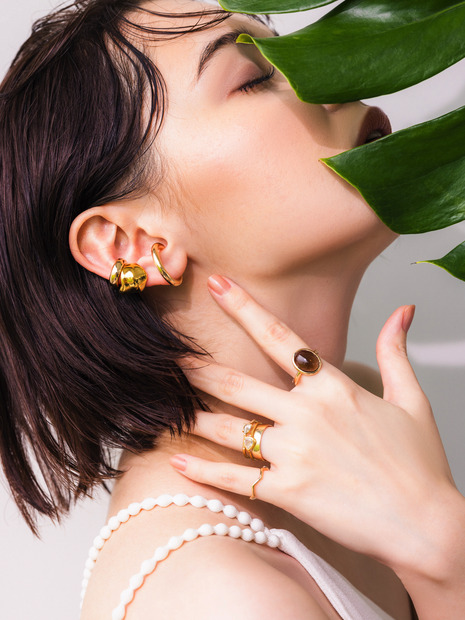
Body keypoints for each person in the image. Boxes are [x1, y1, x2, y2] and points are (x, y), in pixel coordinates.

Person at [0, 0, 464, 618]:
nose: (327, 75)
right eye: (255, 75)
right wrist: (441, 547)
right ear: (130, 245)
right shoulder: (217, 598)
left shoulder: (361, 429)